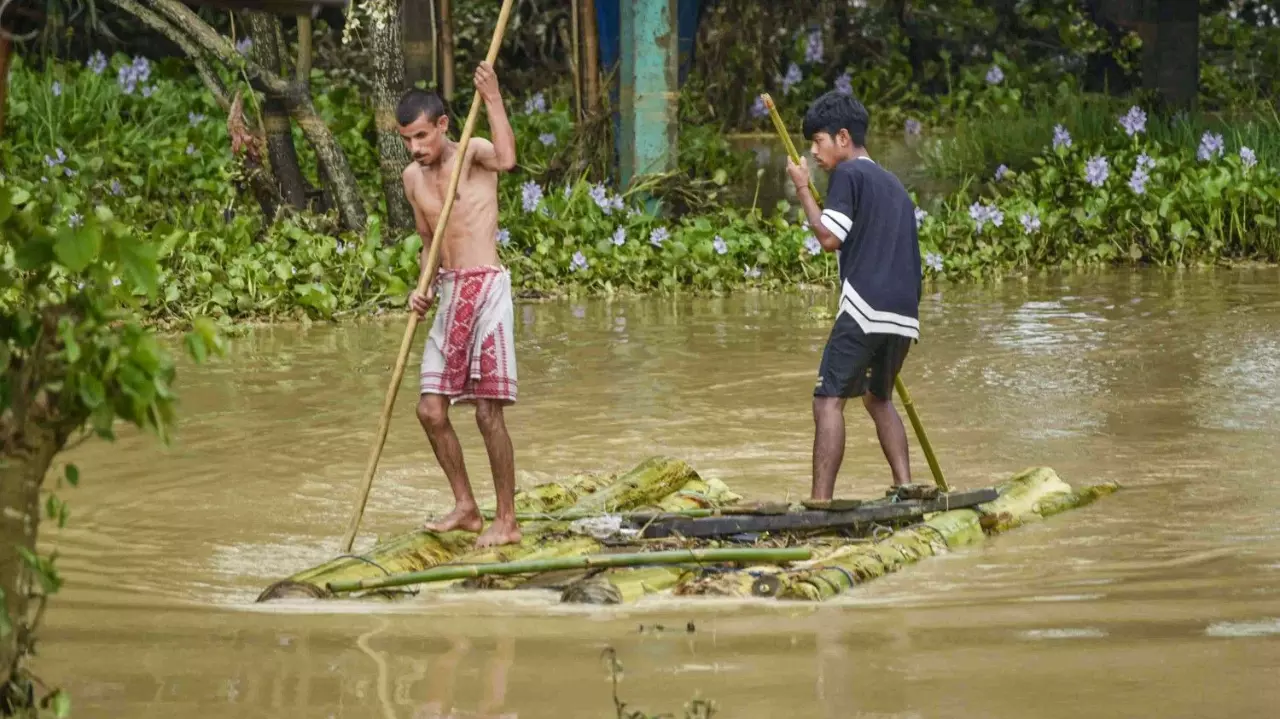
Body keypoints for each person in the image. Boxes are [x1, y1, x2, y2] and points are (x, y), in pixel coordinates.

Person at [397, 62, 521, 548]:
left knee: (488, 413)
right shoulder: (413, 179)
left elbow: (508, 159)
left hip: (487, 289)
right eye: (408, 139)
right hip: (449, 293)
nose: (416, 148)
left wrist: (491, 96)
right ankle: (467, 507)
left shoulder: (472, 151)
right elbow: (429, 242)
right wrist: (421, 285)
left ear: (443, 125)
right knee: (430, 410)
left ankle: (506, 519)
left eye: (423, 136)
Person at [784, 91, 923, 500]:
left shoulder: (848, 175)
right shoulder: (894, 184)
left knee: (827, 401)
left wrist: (804, 189)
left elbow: (829, 237)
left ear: (843, 137)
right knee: (878, 399)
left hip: (865, 307)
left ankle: (820, 503)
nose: (814, 152)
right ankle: (905, 486)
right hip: (903, 314)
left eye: (818, 142)